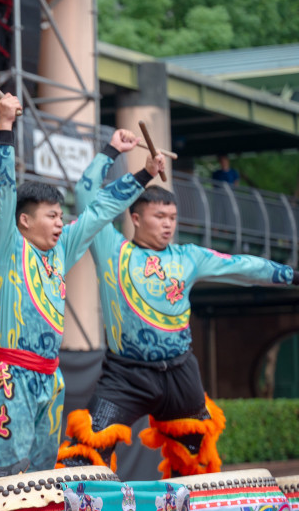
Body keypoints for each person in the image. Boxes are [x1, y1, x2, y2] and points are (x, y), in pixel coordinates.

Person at [58, 134, 295, 477]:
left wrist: (290, 275)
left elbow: (242, 266)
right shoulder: (110, 247)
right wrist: (113, 153)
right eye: (159, 216)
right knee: (85, 454)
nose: (168, 224)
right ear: (135, 218)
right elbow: (86, 195)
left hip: (182, 372)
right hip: (125, 374)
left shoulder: (189, 257)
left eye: (172, 216)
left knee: (195, 460)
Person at [0, 95, 163, 475]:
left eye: (61, 215)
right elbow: (1, 192)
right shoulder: (7, 246)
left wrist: (142, 174)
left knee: (45, 471)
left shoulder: (61, 249)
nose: (60, 222)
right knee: (6, 471)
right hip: (12, 376)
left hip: (51, 375)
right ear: (25, 221)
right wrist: (6, 126)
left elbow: (97, 211)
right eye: (51, 216)